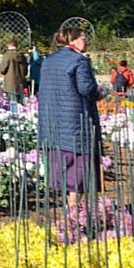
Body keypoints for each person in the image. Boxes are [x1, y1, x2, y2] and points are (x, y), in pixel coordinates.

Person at [38, 25, 102, 208]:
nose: (86, 40)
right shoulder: (79, 60)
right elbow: (86, 88)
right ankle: (75, 213)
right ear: (72, 40)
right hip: (75, 122)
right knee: (78, 171)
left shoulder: (48, 60)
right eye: (83, 37)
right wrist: (99, 93)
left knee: (63, 169)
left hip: (53, 124)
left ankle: (70, 209)